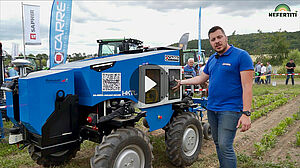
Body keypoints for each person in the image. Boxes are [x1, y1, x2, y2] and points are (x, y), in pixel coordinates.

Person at [173, 26, 253, 168]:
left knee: (225, 145)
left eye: (219, 37)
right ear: (210, 42)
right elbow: (200, 79)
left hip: (230, 109)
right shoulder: (212, 60)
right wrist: (182, 82)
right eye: (213, 39)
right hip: (212, 108)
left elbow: (247, 86)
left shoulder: (241, 56)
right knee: (218, 144)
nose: (217, 41)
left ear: (225, 37)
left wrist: (246, 113)